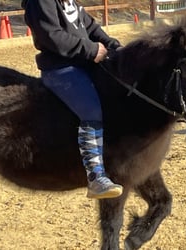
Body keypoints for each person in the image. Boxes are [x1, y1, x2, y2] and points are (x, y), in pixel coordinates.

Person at [21, 0, 123, 199]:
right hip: (60, 69)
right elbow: (51, 35)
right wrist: (91, 50)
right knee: (91, 110)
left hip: (83, 63)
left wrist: (115, 47)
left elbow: (91, 27)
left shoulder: (69, 1)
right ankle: (96, 178)